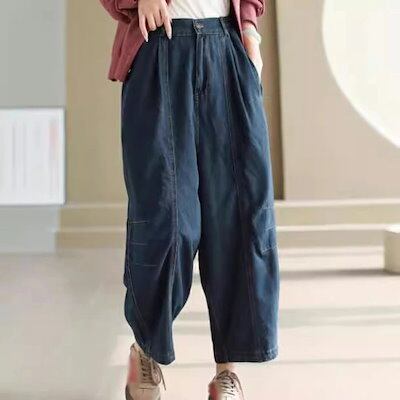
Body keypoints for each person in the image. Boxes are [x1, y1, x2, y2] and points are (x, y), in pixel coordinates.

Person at [99, 0, 280, 398]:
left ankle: (227, 372)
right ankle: (145, 350)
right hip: (159, 48)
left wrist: (250, 33)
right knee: (166, 220)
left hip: (227, 47)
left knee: (239, 215)